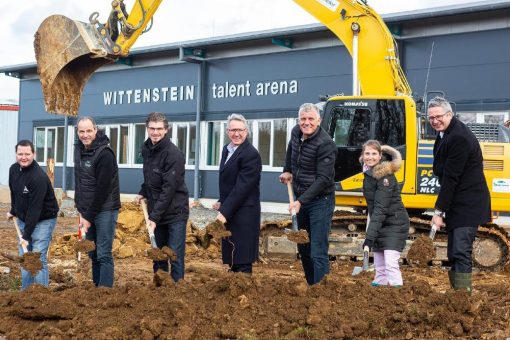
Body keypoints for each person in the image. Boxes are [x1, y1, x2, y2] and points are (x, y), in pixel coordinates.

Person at [428, 96, 491, 293]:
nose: (435, 121)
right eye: (431, 118)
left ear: (449, 114)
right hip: (458, 201)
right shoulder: (445, 133)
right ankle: (457, 294)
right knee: (453, 252)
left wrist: (438, 212)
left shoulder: (459, 138)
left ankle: (462, 297)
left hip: (468, 203)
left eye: (439, 116)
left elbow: (451, 178)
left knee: (461, 251)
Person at [279, 103, 336, 285]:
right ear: (298, 120)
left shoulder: (326, 144)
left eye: (311, 119)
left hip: (321, 200)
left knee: (318, 249)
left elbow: (324, 179)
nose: (307, 123)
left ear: (318, 120)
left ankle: (321, 291)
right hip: (301, 198)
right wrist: (287, 169)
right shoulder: (296, 132)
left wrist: (300, 201)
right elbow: (291, 149)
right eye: (303, 119)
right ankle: (312, 284)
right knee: (303, 245)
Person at [136, 112, 189, 282]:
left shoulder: (173, 154)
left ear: (166, 130)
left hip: (175, 213)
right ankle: (160, 292)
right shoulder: (147, 149)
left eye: (159, 129)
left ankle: (177, 291)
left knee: (174, 255)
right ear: (147, 129)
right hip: (157, 211)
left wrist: (154, 217)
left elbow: (169, 189)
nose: (155, 132)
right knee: (158, 256)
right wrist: (143, 191)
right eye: (152, 128)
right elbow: (150, 178)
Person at [74, 117, 121, 288]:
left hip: (105, 210)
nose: (85, 135)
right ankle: (96, 289)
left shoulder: (105, 154)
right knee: (93, 253)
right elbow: (80, 181)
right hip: (87, 211)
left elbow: (103, 189)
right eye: (81, 131)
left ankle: (105, 292)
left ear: (95, 130)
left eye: (88, 131)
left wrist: (88, 216)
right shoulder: (79, 150)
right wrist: (80, 208)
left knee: (103, 254)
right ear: (77, 132)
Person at [213, 114, 262, 274]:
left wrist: (224, 212)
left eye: (240, 130)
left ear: (246, 132)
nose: (237, 134)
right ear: (227, 131)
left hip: (244, 214)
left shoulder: (250, 154)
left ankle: (244, 294)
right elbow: (229, 181)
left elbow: (243, 188)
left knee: (242, 257)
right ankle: (234, 290)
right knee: (233, 256)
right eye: (233, 130)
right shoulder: (227, 150)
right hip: (232, 209)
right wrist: (222, 201)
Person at [7, 140, 59, 290]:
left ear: (34, 154)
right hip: (24, 218)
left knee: (36, 257)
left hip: (44, 219)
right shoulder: (13, 170)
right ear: (16, 154)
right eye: (20, 154)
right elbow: (14, 193)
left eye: (27, 154)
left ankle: (41, 297)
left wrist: (26, 235)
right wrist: (13, 210)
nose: (24, 157)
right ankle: (26, 296)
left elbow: (35, 210)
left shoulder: (38, 178)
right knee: (25, 257)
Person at [360, 140, 409, 287]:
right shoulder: (368, 174)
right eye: (367, 153)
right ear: (362, 155)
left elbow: (380, 208)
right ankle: (378, 293)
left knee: (390, 263)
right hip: (380, 223)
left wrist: (369, 238)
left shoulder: (385, 177)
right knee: (380, 265)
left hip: (394, 223)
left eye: (374, 154)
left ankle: (397, 293)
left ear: (380, 156)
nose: (370, 157)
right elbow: (373, 208)